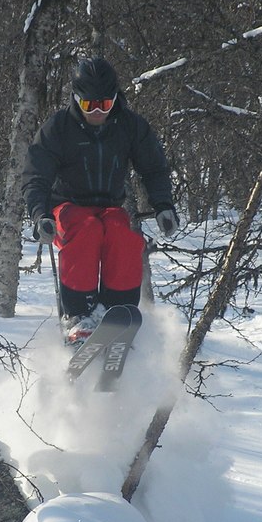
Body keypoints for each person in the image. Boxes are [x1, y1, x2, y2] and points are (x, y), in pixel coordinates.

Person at [22, 56, 179, 343]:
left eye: (104, 105)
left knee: (123, 236)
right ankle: (79, 316)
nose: (96, 112)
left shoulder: (129, 126)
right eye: (88, 105)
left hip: (109, 207)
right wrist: (39, 214)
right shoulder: (58, 128)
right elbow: (36, 176)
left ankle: (116, 313)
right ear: (76, 100)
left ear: (115, 100)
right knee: (87, 229)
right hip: (65, 208)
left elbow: (154, 168)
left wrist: (163, 205)